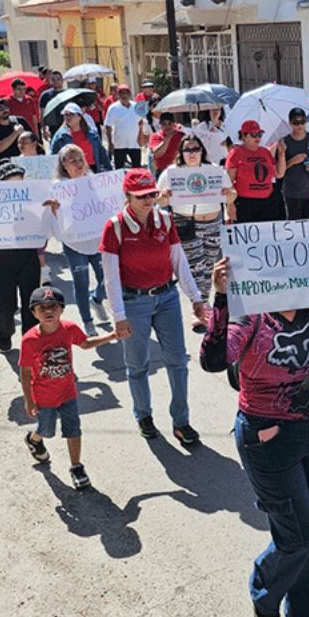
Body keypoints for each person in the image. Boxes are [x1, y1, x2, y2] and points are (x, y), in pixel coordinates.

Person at [200, 254, 309, 617]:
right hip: (269, 438)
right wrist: (221, 298)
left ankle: (304, 609)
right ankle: (264, 595)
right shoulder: (250, 316)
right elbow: (213, 359)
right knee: (298, 538)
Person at [100, 169, 206, 444]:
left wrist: (195, 298)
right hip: (134, 302)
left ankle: (181, 421)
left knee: (178, 361)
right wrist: (119, 316)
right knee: (137, 365)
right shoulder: (115, 227)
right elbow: (111, 278)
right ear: (127, 197)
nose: (149, 200)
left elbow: (178, 261)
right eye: (142, 196)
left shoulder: (165, 220)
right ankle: (143, 415)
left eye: (152, 194)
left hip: (167, 298)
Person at [18, 285, 118, 490]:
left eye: (53, 306)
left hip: (67, 392)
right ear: (34, 313)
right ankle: (34, 439)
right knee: (46, 429)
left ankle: (76, 466)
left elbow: (85, 343)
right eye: (42, 307)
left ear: (62, 309)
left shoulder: (69, 329)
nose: (48, 311)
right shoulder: (29, 340)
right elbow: (25, 372)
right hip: (44, 396)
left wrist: (110, 336)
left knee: (73, 429)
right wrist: (28, 399)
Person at [156, 135, 236, 329]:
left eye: (195, 149)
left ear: (202, 151)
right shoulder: (171, 173)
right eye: (187, 150)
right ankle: (199, 310)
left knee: (209, 266)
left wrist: (228, 194)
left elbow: (233, 194)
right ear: (181, 153)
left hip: (212, 222)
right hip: (186, 223)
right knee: (195, 267)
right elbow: (159, 200)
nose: (192, 153)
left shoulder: (214, 171)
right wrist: (164, 197)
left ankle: (203, 304)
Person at [0, 162, 47, 352]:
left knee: (30, 305)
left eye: (21, 184)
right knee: (6, 306)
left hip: (27, 259)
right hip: (0, 262)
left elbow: (46, 228)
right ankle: (4, 333)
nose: (17, 189)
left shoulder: (33, 204)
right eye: (12, 184)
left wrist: (51, 209)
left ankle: (30, 342)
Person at [48, 144, 109, 335]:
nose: (78, 164)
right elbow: (54, 220)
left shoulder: (95, 181)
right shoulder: (58, 188)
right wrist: (55, 211)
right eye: (72, 160)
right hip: (74, 243)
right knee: (81, 282)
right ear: (63, 165)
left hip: (98, 241)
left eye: (80, 159)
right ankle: (87, 320)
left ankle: (97, 299)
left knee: (107, 280)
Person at [227, 120, 284, 224]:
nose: (257, 138)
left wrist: (281, 153)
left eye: (259, 134)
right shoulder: (236, 153)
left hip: (267, 203)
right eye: (253, 135)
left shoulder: (265, 152)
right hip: (245, 204)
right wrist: (230, 205)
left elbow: (279, 173)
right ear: (244, 136)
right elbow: (228, 182)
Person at [277, 107, 309, 220]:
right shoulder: (284, 142)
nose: (300, 125)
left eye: (303, 122)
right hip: (292, 193)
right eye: (296, 122)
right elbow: (278, 171)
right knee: (295, 227)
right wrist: (293, 161)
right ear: (290, 123)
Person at [51, 103, 110, 173]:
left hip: (92, 170)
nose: (68, 117)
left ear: (80, 117)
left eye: (72, 114)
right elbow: (54, 156)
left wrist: (109, 170)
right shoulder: (60, 136)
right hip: (71, 173)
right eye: (66, 115)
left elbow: (102, 153)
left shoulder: (92, 134)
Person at [104, 84, 147, 169]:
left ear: (129, 94)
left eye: (126, 93)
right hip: (119, 144)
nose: (124, 95)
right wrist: (110, 143)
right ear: (118, 95)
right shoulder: (113, 108)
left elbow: (141, 123)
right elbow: (108, 126)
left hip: (134, 144)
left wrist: (142, 139)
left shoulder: (136, 107)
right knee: (119, 169)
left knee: (137, 169)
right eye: (121, 93)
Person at [0, 98, 30, 167]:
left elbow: (34, 140)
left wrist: (24, 134)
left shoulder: (20, 121)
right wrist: (15, 133)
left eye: (6, 107)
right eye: (0, 109)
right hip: (7, 165)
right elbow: (0, 148)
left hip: (25, 161)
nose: (4, 110)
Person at [38, 70, 66, 136]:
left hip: (68, 125)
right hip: (53, 126)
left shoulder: (68, 93)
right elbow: (42, 113)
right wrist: (44, 129)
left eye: (58, 79)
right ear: (50, 81)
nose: (56, 81)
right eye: (53, 79)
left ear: (62, 80)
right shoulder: (45, 95)